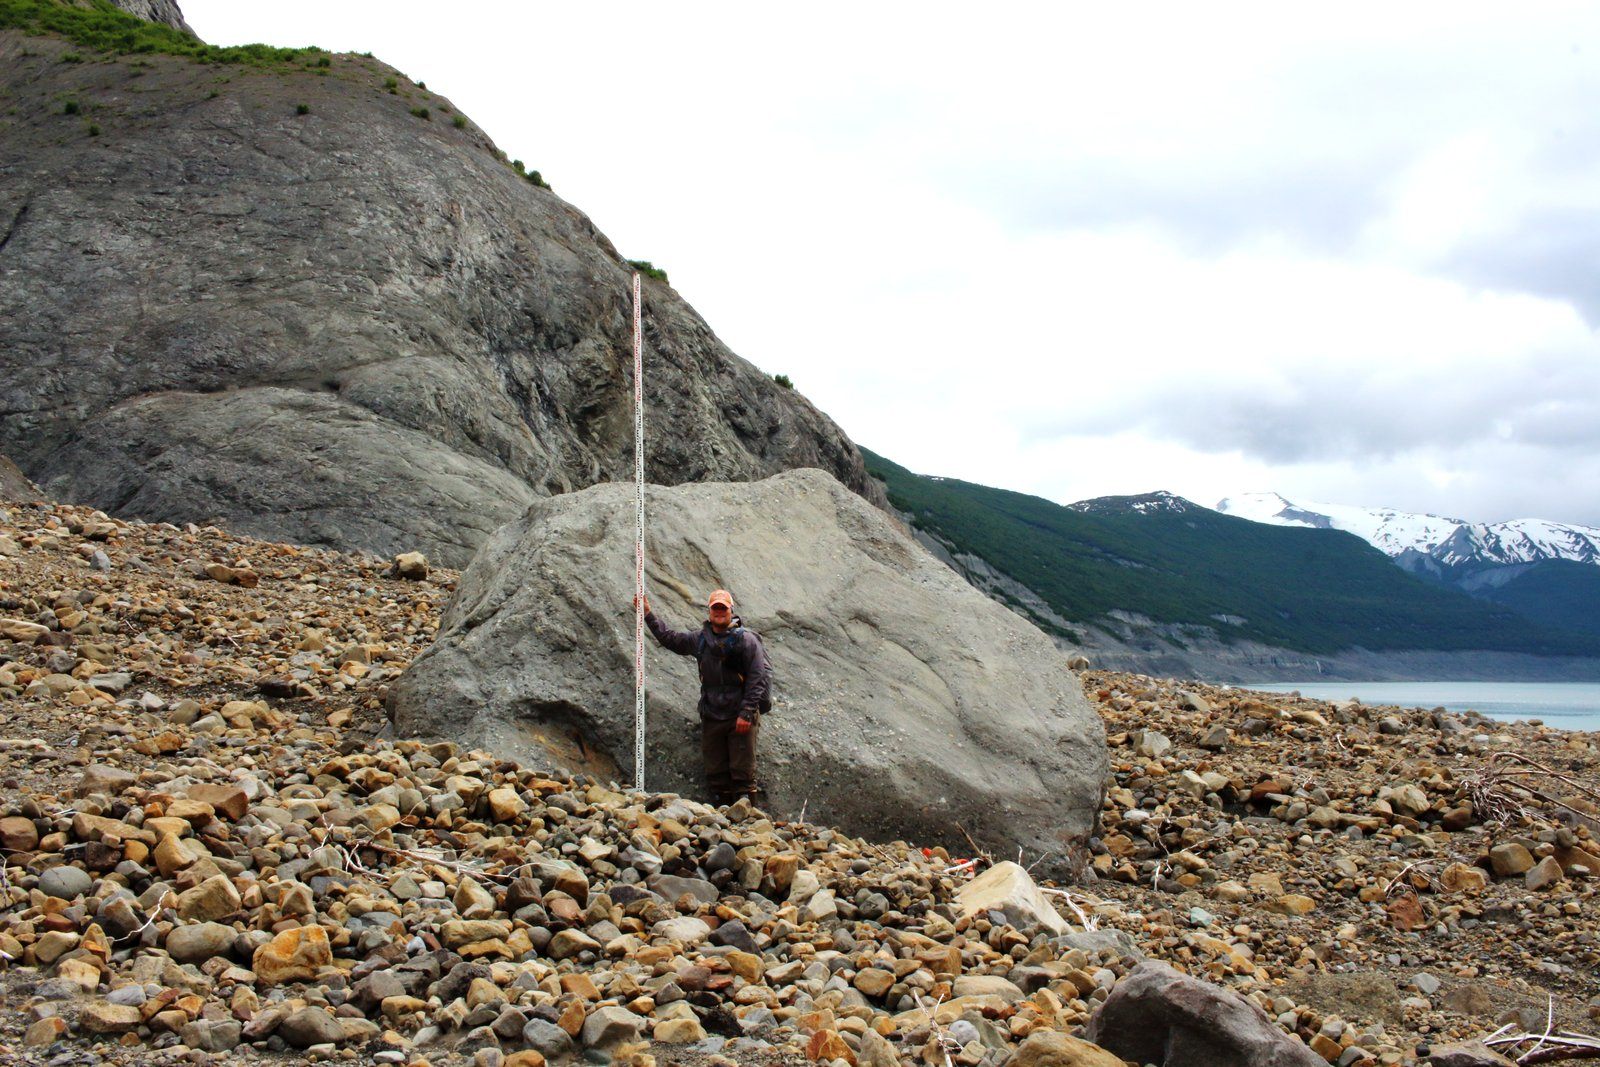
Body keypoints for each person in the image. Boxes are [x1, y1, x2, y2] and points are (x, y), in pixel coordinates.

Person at [635, 589, 770, 806]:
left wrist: (747, 712)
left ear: (731, 610)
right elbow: (670, 639)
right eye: (715, 608)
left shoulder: (747, 640)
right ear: (709, 611)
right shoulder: (700, 639)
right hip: (712, 713)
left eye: (723, 608)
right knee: (716, 773)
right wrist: (648, 615)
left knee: (743, 772)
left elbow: (758, 677)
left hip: (740, 715)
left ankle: (749, 823)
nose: (719, 612)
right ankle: (719, 821)